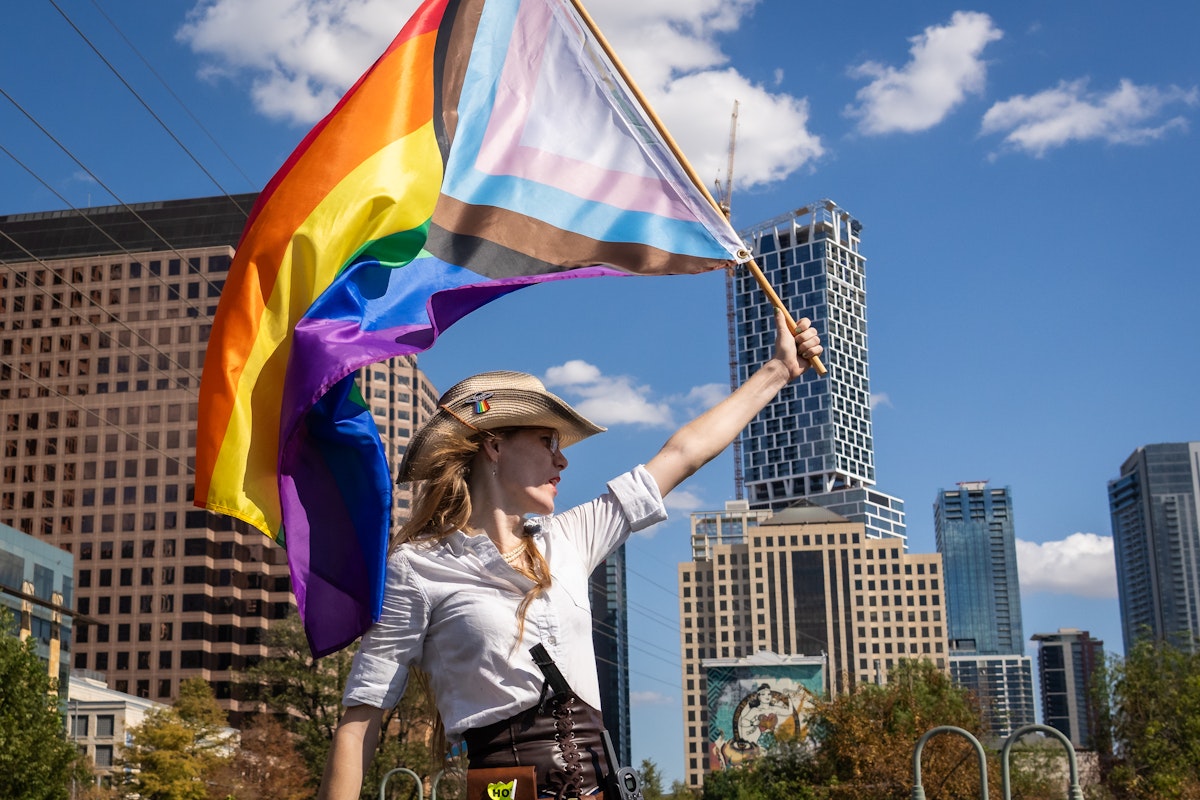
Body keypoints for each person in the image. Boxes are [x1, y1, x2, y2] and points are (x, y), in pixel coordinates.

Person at [318, 309, 822, 799]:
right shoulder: (418, 568)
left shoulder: (571, 537)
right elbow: (360, 720)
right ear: (493, 446)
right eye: (546, 441)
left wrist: (778, 370)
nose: (562, 460)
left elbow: (682, 455)